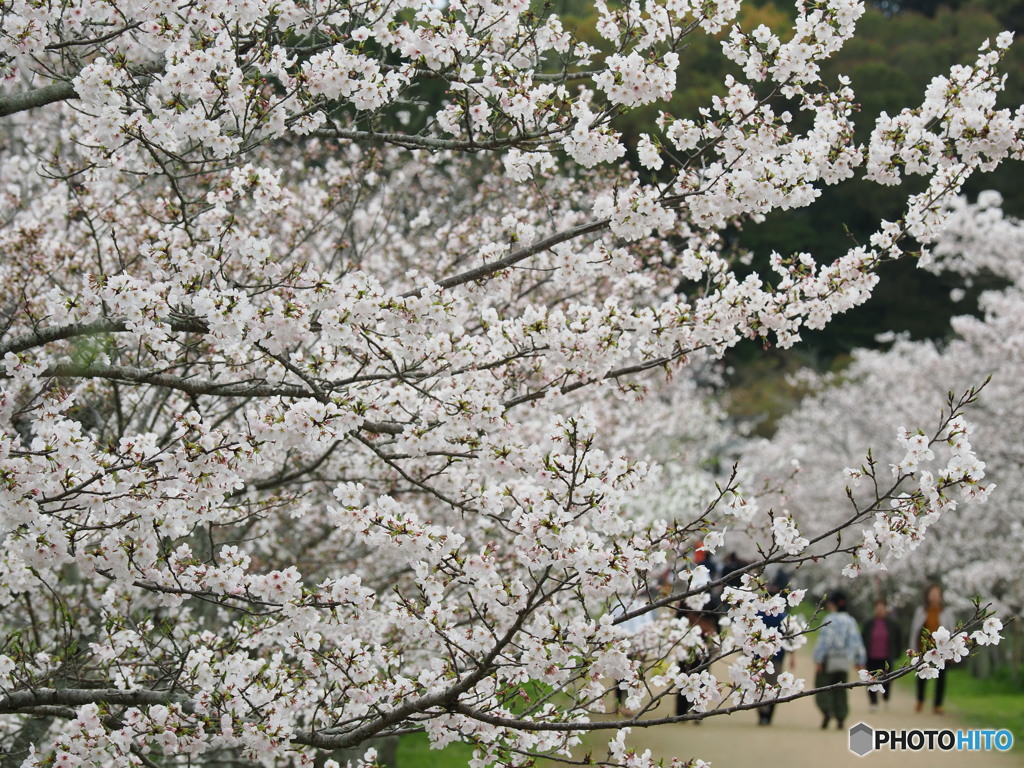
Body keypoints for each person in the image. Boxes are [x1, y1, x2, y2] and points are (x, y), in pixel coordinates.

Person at [812, 590, 866, 730]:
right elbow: (856, 641)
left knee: (823, 688)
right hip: (843, 662)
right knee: (841, 690)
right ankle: (841, 717)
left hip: (828, 661)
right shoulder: (850, 621)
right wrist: (859, 660)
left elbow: (824, 641)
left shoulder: (830, 620)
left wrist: (818, 659)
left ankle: (827, 711)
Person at [908, 583, 956, 714]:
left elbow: (952, 631)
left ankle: (937, 704)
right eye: (932, 594)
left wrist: (952, 650)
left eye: (937, 594)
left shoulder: (946, 612)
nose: (934, 596)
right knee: (922, 674)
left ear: (941, 596)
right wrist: (913, 649)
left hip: (942, 650)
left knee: (941, 677)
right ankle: (920, 700)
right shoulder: (921, 611)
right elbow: (915, 630)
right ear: (927, 596)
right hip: (923, 648)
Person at [757, 571, 794, 726]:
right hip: (776, 656)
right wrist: (793, 655)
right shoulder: (782, 616)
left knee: (758, 686)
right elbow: (790, 637)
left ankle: (762, 715)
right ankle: (768, 716)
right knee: (772, 686)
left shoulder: (758, 614)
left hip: (757, 656)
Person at [861, 598, 901, 711]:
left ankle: (886, 698)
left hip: (886, 657)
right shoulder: (869, 623)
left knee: (887, 679)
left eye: (882, 607)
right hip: (871, 656)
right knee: (871, 679)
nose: (879, 610)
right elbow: (863, 638)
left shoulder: (893, 624)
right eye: (877, 608)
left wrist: (896, 654)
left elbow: (898, 639)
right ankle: (873, 702)